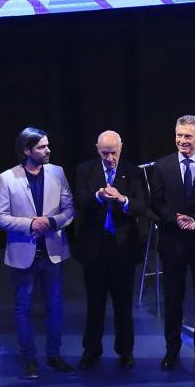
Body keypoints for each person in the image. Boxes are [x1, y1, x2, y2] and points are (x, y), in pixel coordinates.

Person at [0, 127, 76, 379]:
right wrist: (31, 224)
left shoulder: (57, 173)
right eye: (41, 147)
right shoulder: (8, 178)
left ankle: (54, 355)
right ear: (27, 151)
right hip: (24, 253)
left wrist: (51, 223)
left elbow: (69, 209)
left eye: (47, 145)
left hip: (52, 252)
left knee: (55, 306)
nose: (48, 150)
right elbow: (0, 217)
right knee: (23, 308)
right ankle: (29, 358)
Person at [149, 115, 195, 371]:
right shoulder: (161, 166)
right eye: (179, 135)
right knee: (173, 298)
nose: (182, 140)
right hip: (172, 242)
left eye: (188, 136)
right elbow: (157, 203)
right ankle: (172, 350)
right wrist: (177, 219)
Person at [72, 130, 149, 370]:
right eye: (105, 153)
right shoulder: (85, 170)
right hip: (95, 248)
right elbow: (79, 202)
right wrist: (97, 196)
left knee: (123, 305)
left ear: (121, 148)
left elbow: (142, 205)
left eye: (113, 152)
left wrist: (123, 199)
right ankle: (91, 350)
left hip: (123, 249)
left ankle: (125, 351)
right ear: (97, 149)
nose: (109, 158)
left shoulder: (134, 172)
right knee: (95, 304)